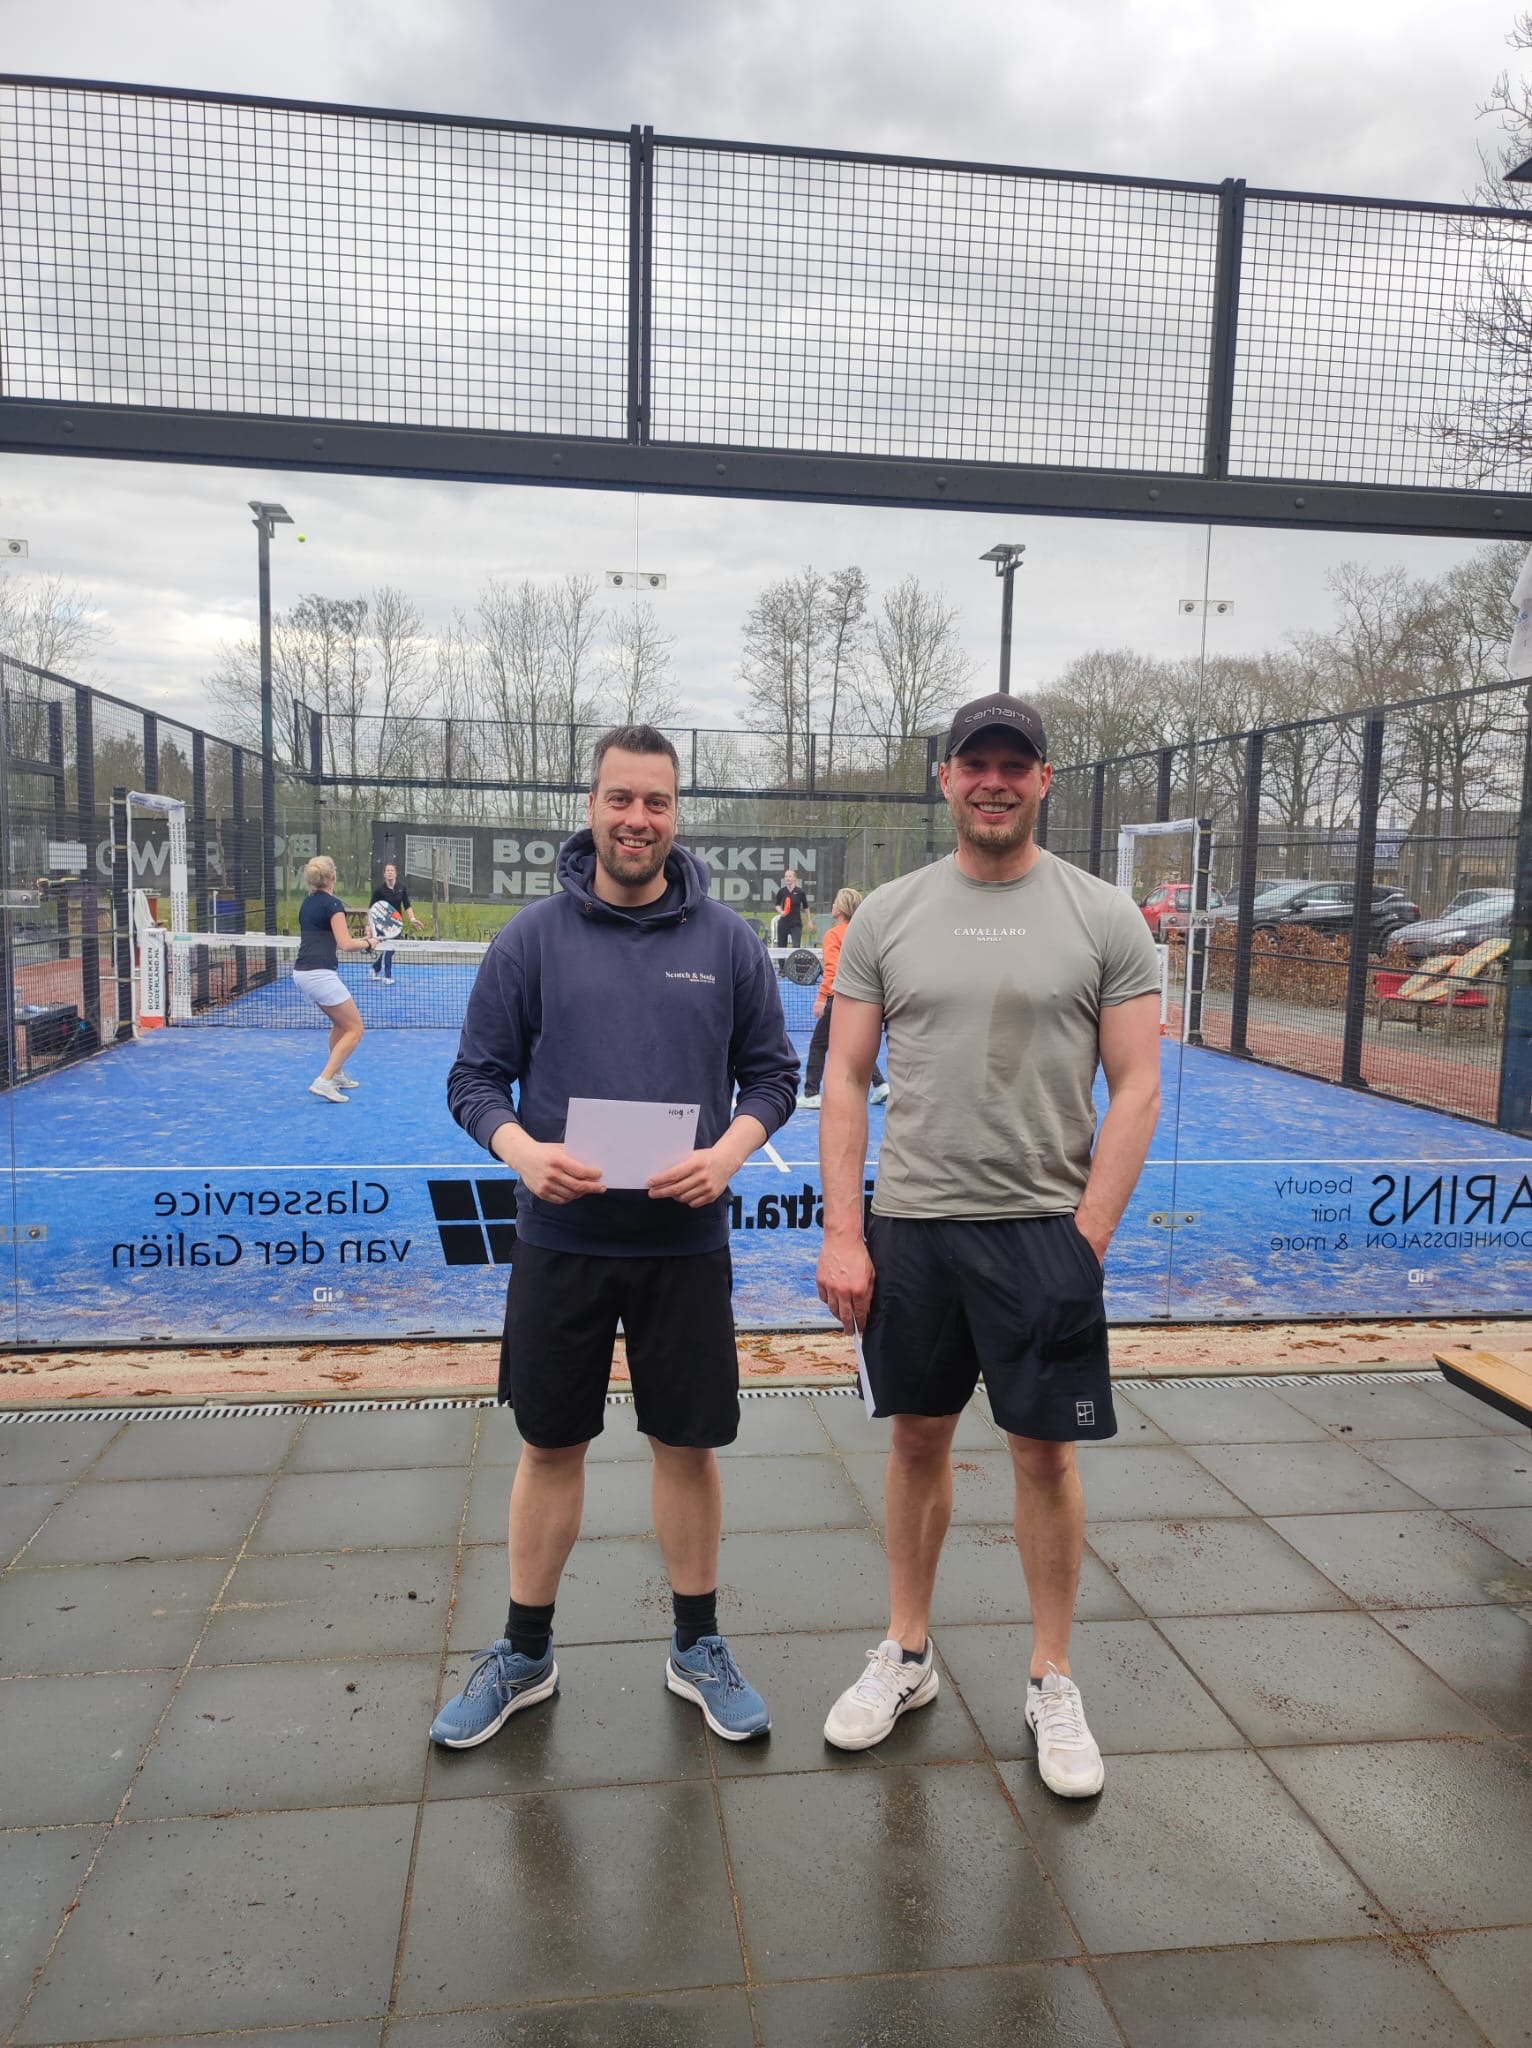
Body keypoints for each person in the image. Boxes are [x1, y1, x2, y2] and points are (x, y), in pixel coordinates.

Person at [815, 691, 1162, 1798]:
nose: (995, 782)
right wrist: (843, 1232)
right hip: (912, 1231)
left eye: (1016, 765)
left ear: (1043, 780)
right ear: (947, 778)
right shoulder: (889, 915)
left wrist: (1084, 1242)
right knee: (917, 1440)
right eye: (977, 764)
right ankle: (906, 1652)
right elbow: (844, 1077)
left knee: (1043, 1455)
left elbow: (1138, 1085)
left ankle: (1052, 1675)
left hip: (1042, 1235)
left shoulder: (1105, 915)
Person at [434, 723, 800, 1751]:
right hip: (562, 1239)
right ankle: (524, 1652)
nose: (637, 819)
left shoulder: (728, 942)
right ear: (591, 806)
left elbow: (773, 1076)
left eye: (656, 801)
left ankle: (696, 1645)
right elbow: (473, 1078)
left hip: (684, 1244)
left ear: (676, 814)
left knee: (686, 1445)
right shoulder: (529, 940)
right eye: (621, 799)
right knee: (550, 1443)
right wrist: (521, 1150)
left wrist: (727, 1154)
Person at [292, 854, 375, 1103]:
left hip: (302, 973)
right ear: (333, 876)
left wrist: (366, 940)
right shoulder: (333, 905)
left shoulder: (307, 904)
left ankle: (337, 1075)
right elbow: (346, 944)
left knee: (340, 1025)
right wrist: (369, 943)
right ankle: (325, 1080)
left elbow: (333, 940)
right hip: (320, 975)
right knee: (355, 1029)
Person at [798, 887, 889, 1110]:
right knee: (854, 1043)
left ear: (841, 909)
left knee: (818, 1044)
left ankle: (811, 1094)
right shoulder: (865, 934)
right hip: (864, 997)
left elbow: (833, 969)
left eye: (835, 902)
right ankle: (880, 1084)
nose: (832, 906)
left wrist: (822, 997)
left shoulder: (833, 935)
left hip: (838, 998)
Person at [367, 860, 425, 983]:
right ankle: (387, 976)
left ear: (396, 873)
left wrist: (413, 919)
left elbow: (407, 905)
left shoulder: (401, 888)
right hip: (384, 925)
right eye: (387, 870)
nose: (390, 872)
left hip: (397, 925)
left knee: (391, 949)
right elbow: (371, 908)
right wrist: (369, 926)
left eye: (392, 870)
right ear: (384, 874)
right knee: (389, 948)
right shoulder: (379, 890)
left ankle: (375, 968)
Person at [772, 868, 810, 949]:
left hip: (796, 924)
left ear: (795, 878)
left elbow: (806, 907)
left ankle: (794, 958)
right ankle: (782, 958)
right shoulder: (781, 891)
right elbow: (777, 905)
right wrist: (781, 912)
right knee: (781, 947)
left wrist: (809, 921)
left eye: (790, 876)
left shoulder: (800, 892)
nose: (787, 878)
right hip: (783, 924)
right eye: (786, 876)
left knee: (796, 946)